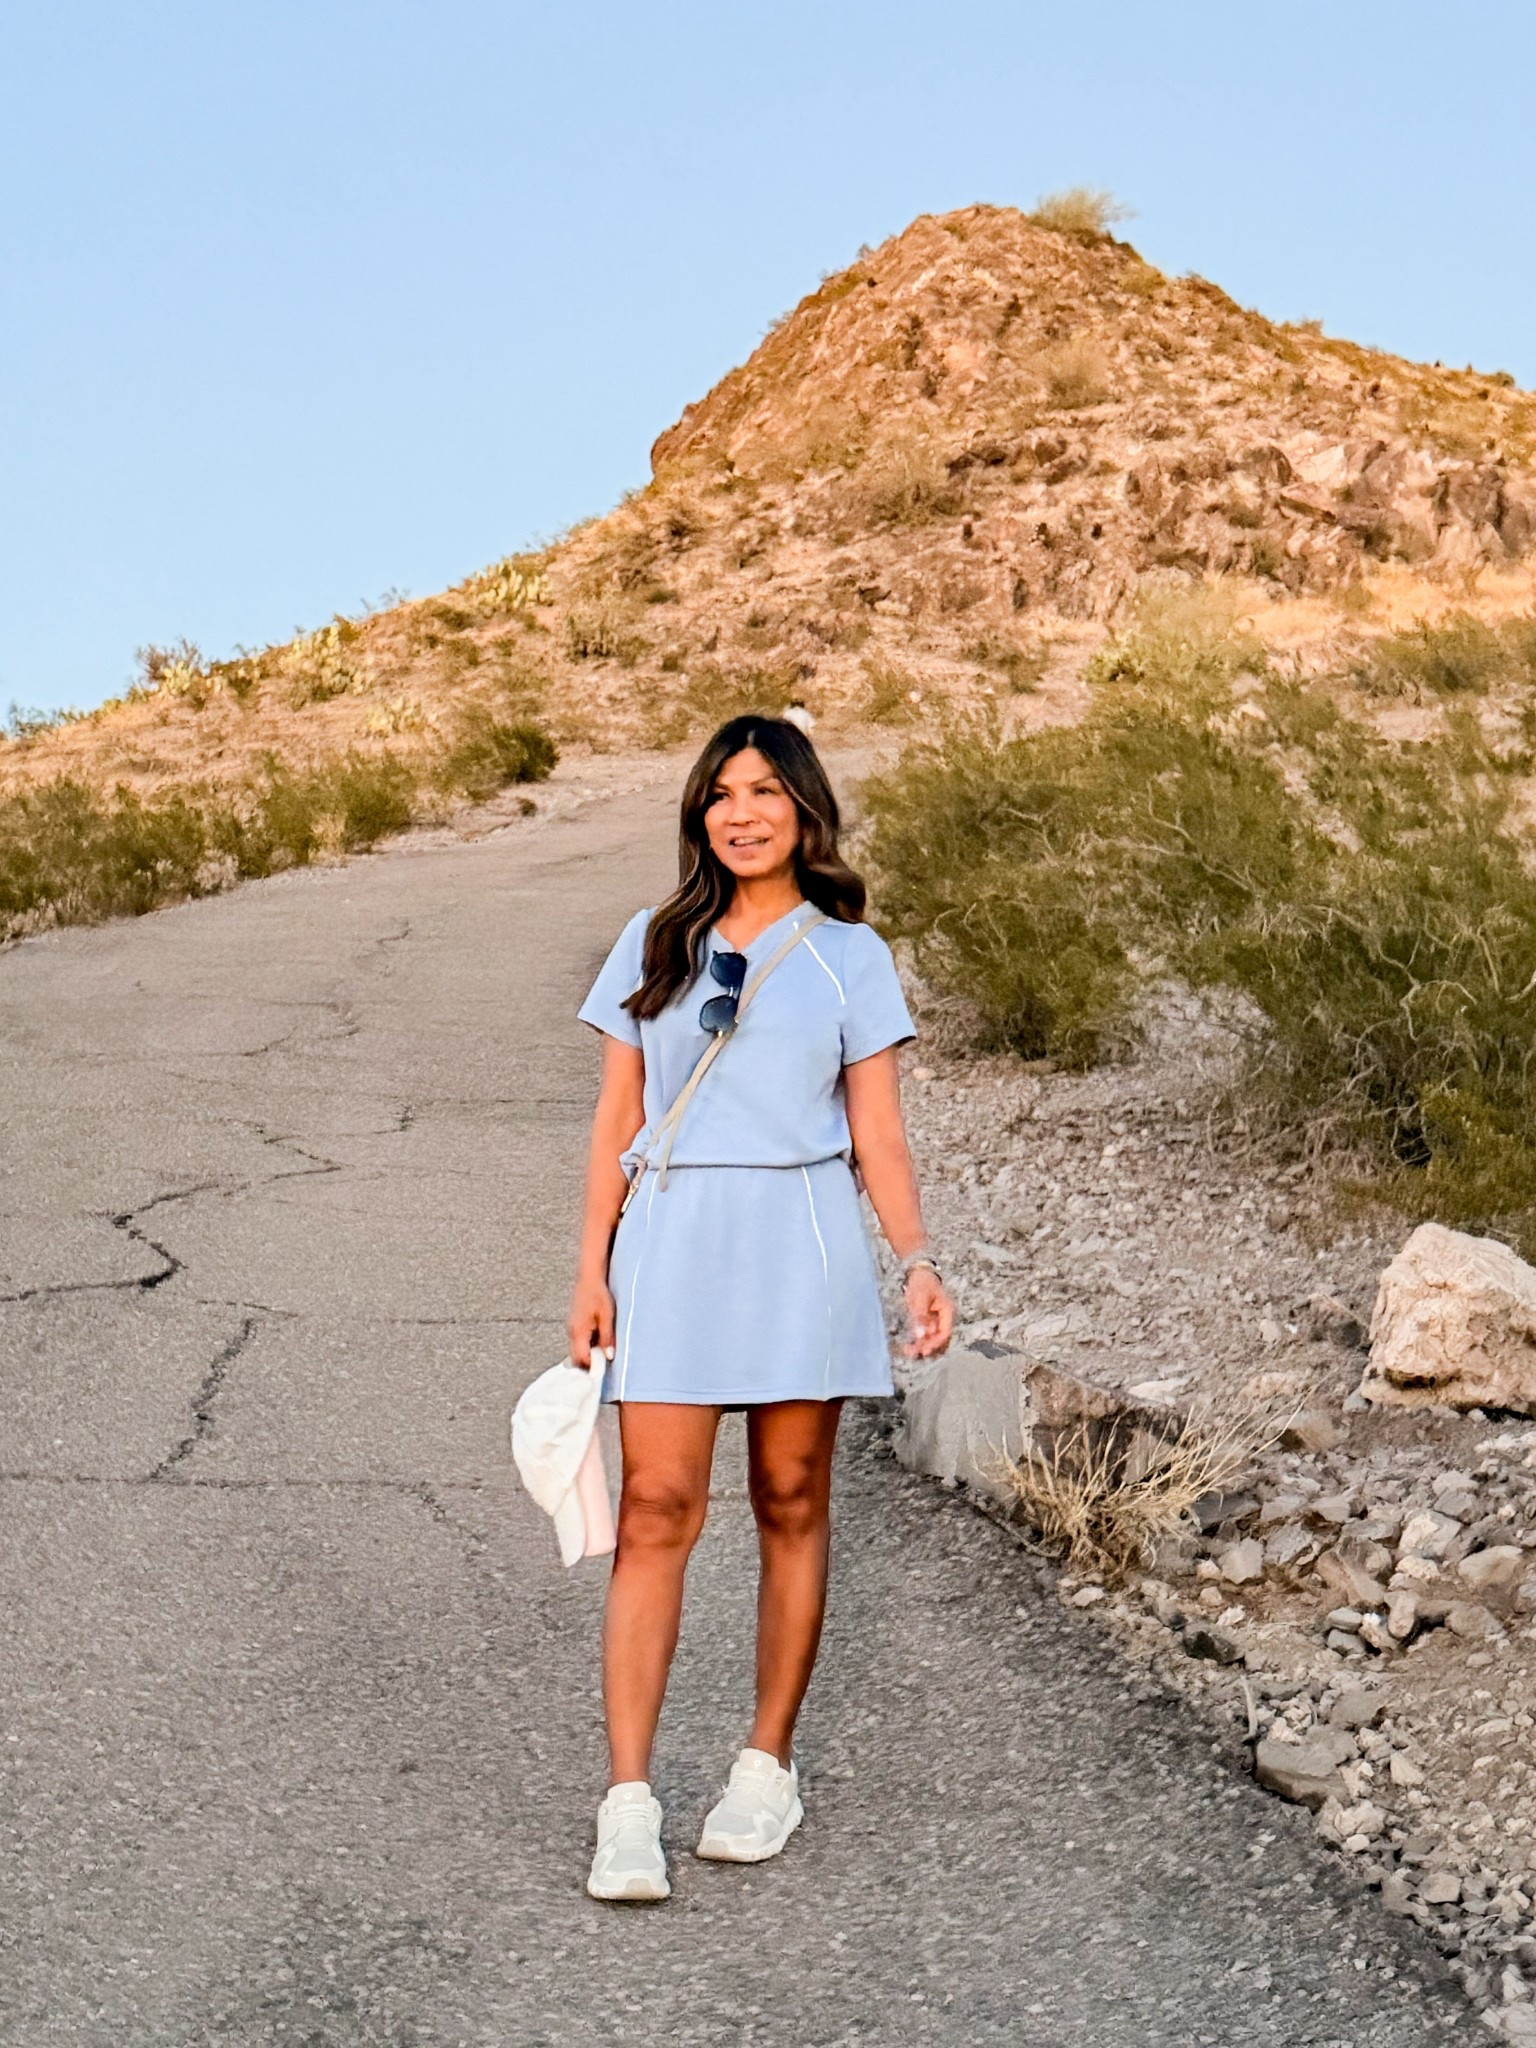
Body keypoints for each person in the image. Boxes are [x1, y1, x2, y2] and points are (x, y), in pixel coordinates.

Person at [568, 714, 954, 1903]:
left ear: (804, 809)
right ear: (700, 813)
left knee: (791, 1499)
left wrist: (917, 1257)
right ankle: (627, 1799)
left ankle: (765, 1763)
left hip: (801, 1238)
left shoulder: (852, 952)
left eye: (764, 791)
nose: (741, 812)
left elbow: (876, 1130)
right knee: (654, 1507)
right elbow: (615, 1122)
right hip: (675, 1239)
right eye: (721, 794)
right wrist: (590, 1271)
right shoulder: (655, 941)